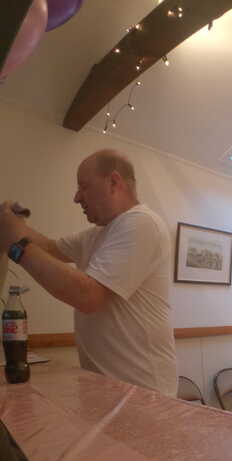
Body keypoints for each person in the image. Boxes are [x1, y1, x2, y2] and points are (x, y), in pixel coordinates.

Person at [0, 149, 177, 395]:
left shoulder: (141, 223)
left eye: (83, 186)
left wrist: (16, 245)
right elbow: (50, 249)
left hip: (144, 391)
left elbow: (88, 296)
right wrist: (14, 225)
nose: (76, 198)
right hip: (108, 388)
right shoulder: (98, 233)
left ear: (114, 182)